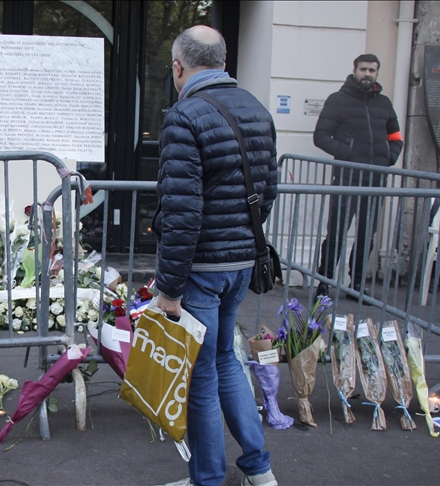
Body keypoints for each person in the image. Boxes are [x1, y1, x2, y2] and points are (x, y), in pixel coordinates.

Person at [153, 26, 279, 486]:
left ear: (178, 67)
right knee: (226, 359)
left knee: (202, 375)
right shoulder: (258, 111)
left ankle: (207, 479)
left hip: (200, 270)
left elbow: (181, 211)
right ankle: (259, 470)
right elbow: (267, 193)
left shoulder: (184, 116)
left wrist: (168, 288)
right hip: (241, 262)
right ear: (224, 61)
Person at [313, 54, 403, 298]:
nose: (367, 74)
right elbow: (321, 136)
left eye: (372, 70)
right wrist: (347, 154)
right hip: (347, 179)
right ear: (354, 70)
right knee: (336, 234)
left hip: (376, 180)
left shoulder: (383, 103)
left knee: (367, 235)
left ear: (376, 73)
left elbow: (395, 136)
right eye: (363, 69)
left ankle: (357, 285)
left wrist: (389, 157)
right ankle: (324, 281)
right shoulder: (338, 100)